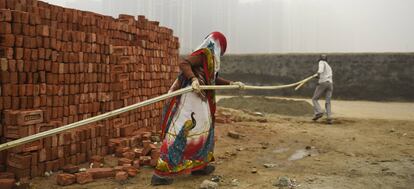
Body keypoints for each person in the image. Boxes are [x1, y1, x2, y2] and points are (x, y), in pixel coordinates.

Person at [151, 31, 245, 185]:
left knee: (202, 132)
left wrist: (232, 84)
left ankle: (199, 166)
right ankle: (161, 174)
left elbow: (213, 80)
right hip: (188, 101)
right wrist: (193, 79)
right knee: (179, 132)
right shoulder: (204, 53)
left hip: (201, 101)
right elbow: (184, 63)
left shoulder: (211, 60)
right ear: (218, 45)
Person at [312, 54, 333, 124]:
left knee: (314, 99)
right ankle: (329, 117)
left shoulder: (321, 62)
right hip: (330, 84)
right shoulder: (329, 66)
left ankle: (319, 112)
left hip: (323, 83)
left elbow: (320, 70)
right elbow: (325, 74)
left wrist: (317, 74)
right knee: (328, 101)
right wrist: (317, 76)